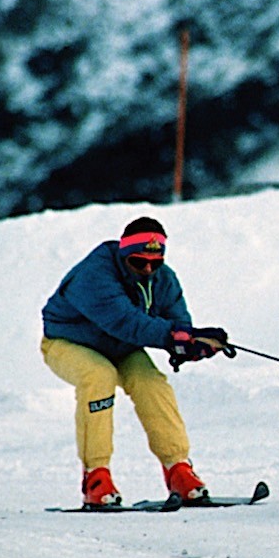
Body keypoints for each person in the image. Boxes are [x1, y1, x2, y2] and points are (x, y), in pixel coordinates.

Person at [41, 216, 228, 508]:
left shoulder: (164, 279)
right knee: (98, 376)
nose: (148, 269)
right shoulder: (94, 275)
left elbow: (177, 323)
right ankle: (96, 476)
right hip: (67, 343)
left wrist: (192, 346)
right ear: (124, 254)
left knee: (151, 382)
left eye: (156, 262)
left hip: (120, 347)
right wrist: (178, 337)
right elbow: (126, 323)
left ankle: (178, 469)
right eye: (139, 262)